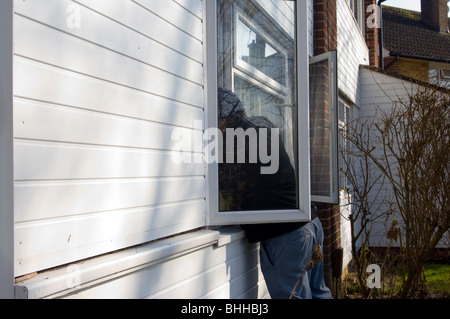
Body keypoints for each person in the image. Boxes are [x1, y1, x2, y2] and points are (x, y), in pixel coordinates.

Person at [218, 88, 332, 299]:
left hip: (287, 237)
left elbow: (231, 185)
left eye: (215, 120)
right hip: (310, 224)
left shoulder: (236, 140)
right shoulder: (260, 129)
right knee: (319, 293)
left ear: (224, 117)